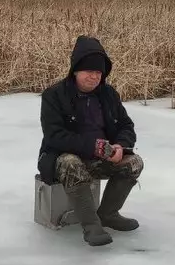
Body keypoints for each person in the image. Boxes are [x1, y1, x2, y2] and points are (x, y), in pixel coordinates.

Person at [37, 35, 144, 246]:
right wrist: (94, 147)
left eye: (98, 72)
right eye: (89, 71)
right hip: (61, 158)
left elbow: (126, 126)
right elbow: (54, 136)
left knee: (134, 163)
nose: (94, 77)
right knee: (71, 163)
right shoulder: (54, 95)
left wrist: (119, 146)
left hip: (101, 157)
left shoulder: (108, 94)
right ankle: (91, 225)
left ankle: (108, 214)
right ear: (75, 70)